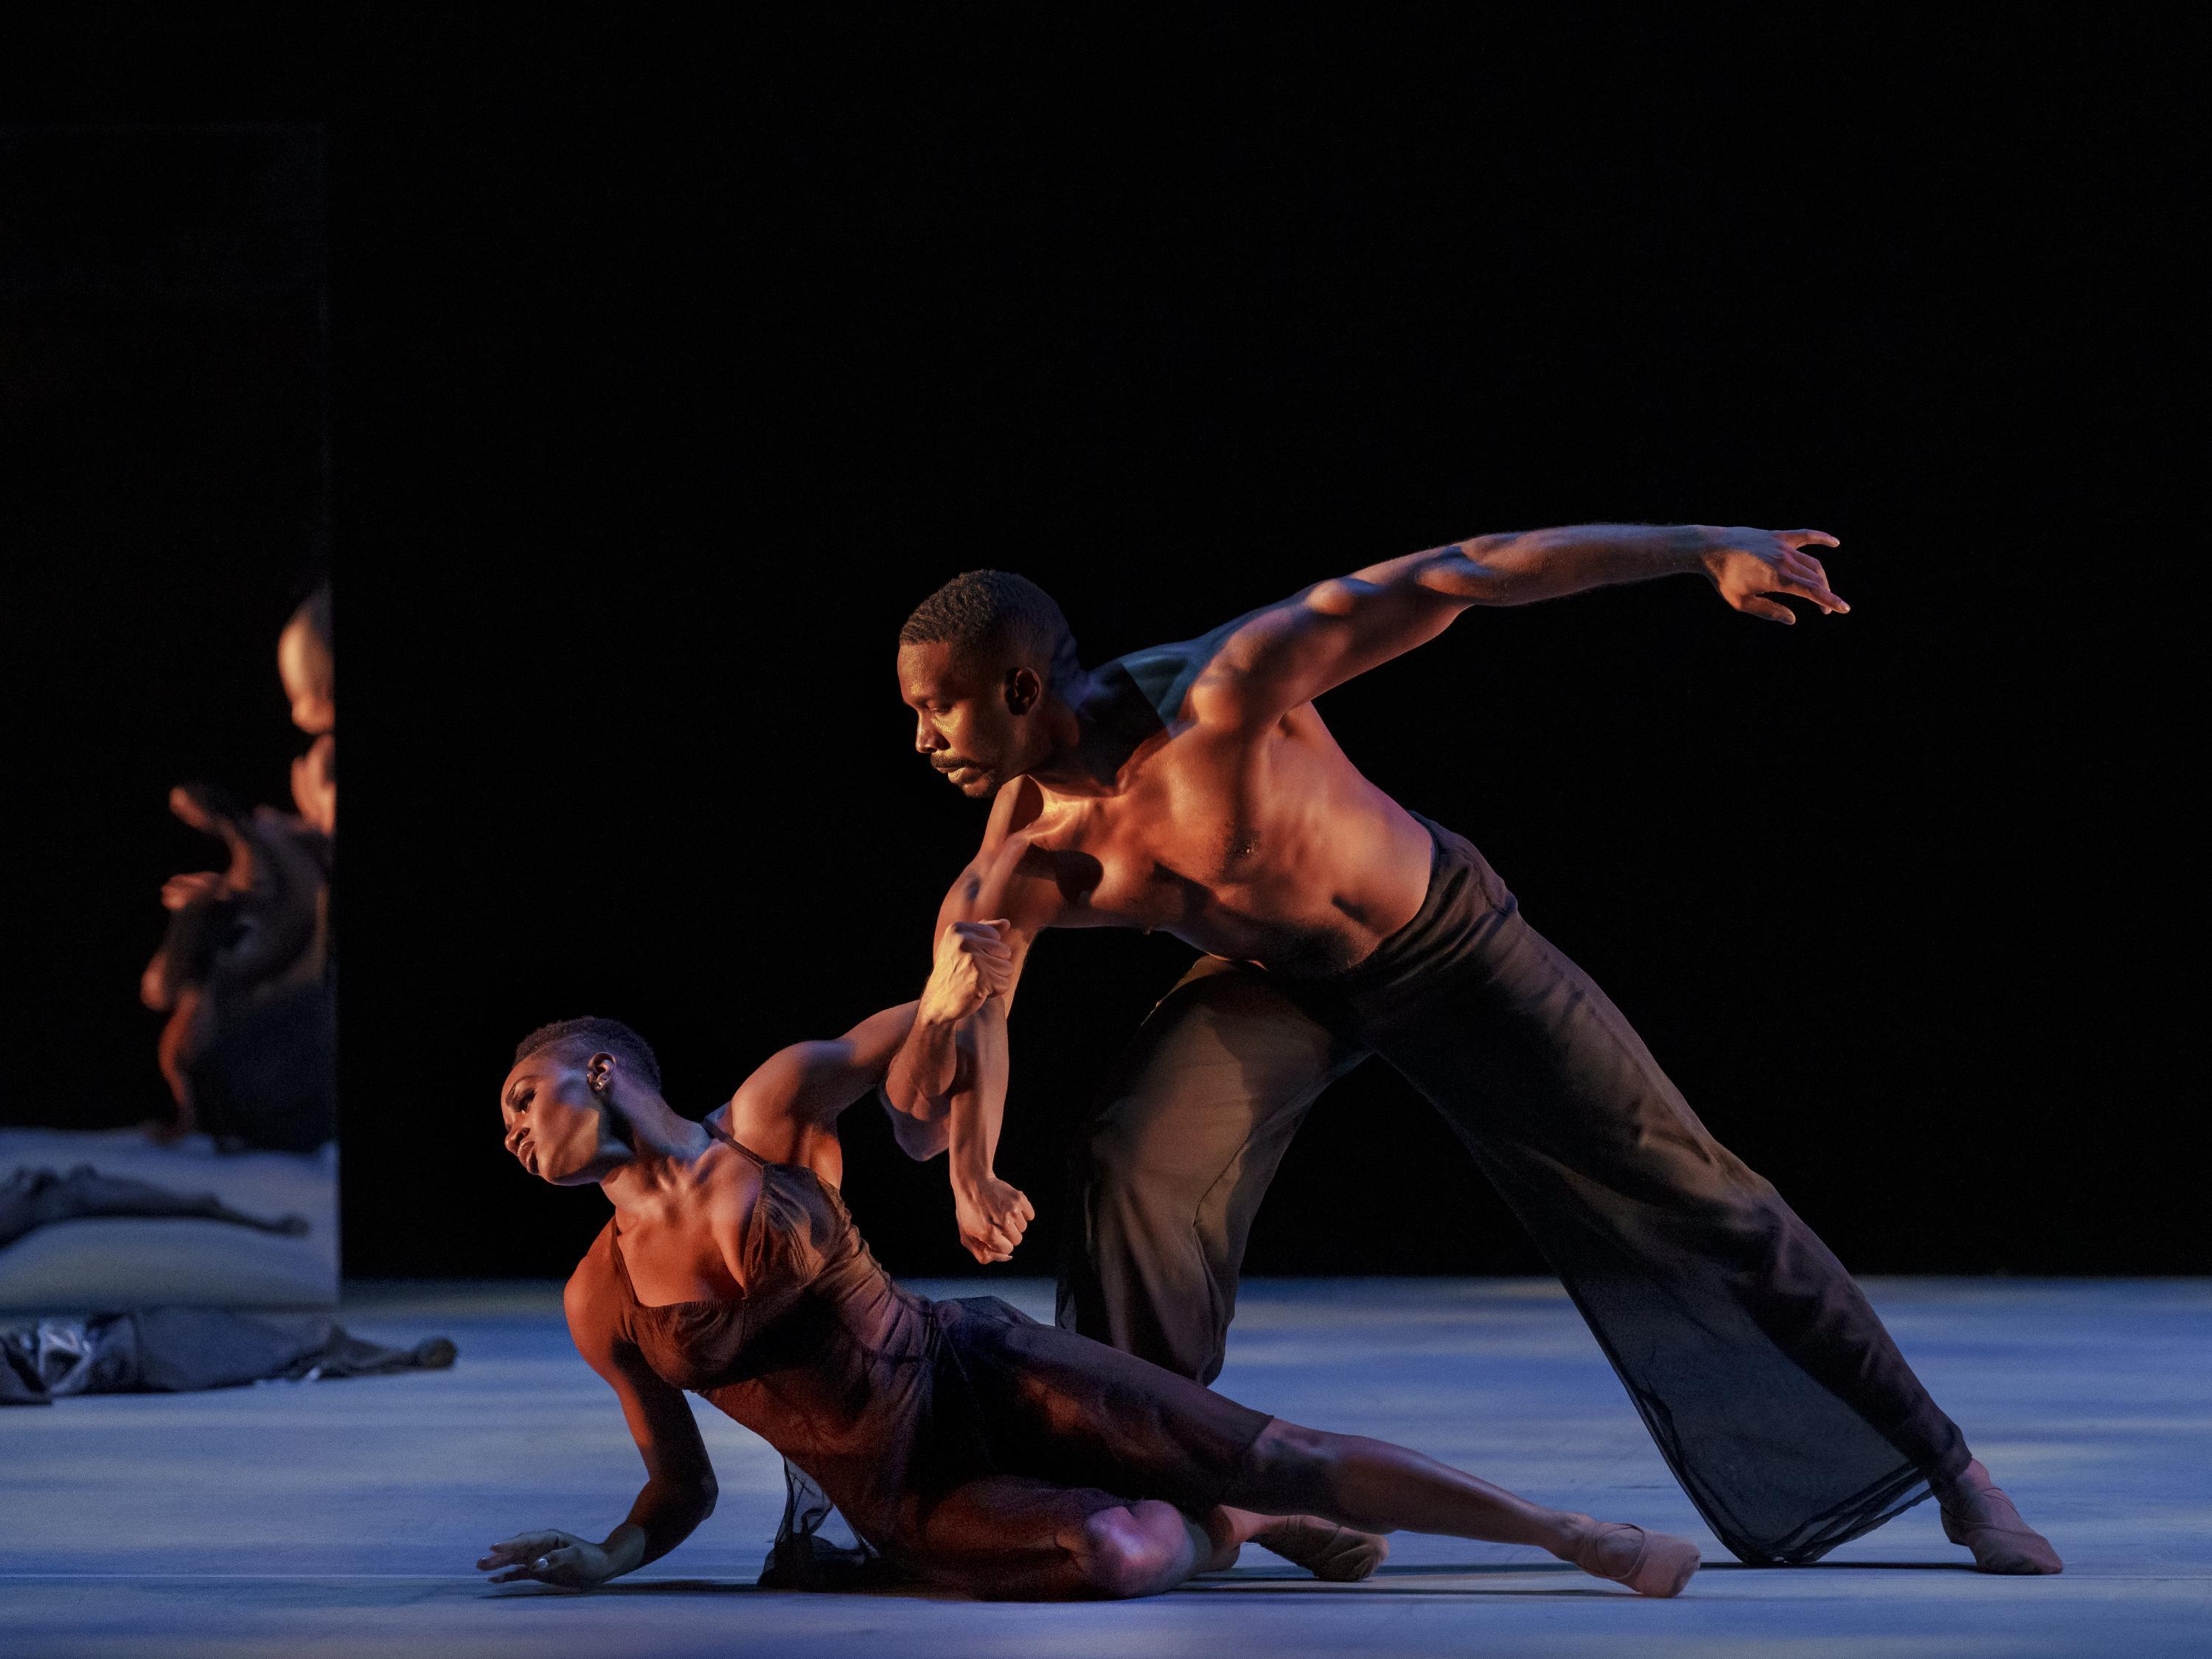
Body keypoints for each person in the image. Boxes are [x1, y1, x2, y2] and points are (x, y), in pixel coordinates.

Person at [882, 526, 2061, 1574]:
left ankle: (1955, 1471)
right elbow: (915, 1119)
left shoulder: (1224, 693)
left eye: (936, 709)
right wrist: (945, 1033)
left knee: (1700, 1193)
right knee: (1133, 1161)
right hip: (1278, 983)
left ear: (1023, 686)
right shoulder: (1018, 864)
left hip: (1441, 942)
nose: (922, 739)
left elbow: (1459, 573)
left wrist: (1700, 547)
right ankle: (1181, 1478)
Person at [476, 981, 1704, 1600]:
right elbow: (682, 1482)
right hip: (911, 1488)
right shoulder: (600, 1297)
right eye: (506, 1129)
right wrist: (611, 1549)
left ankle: (1569, 1534)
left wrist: (965, 1115)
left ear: (600, 1071)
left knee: (1276, 1445)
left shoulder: (769, 1111)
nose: (516, 1136)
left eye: (524, 1100)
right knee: (1119, 1555)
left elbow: (942, 1020)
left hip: (976, 1363)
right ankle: (1241, 1525)